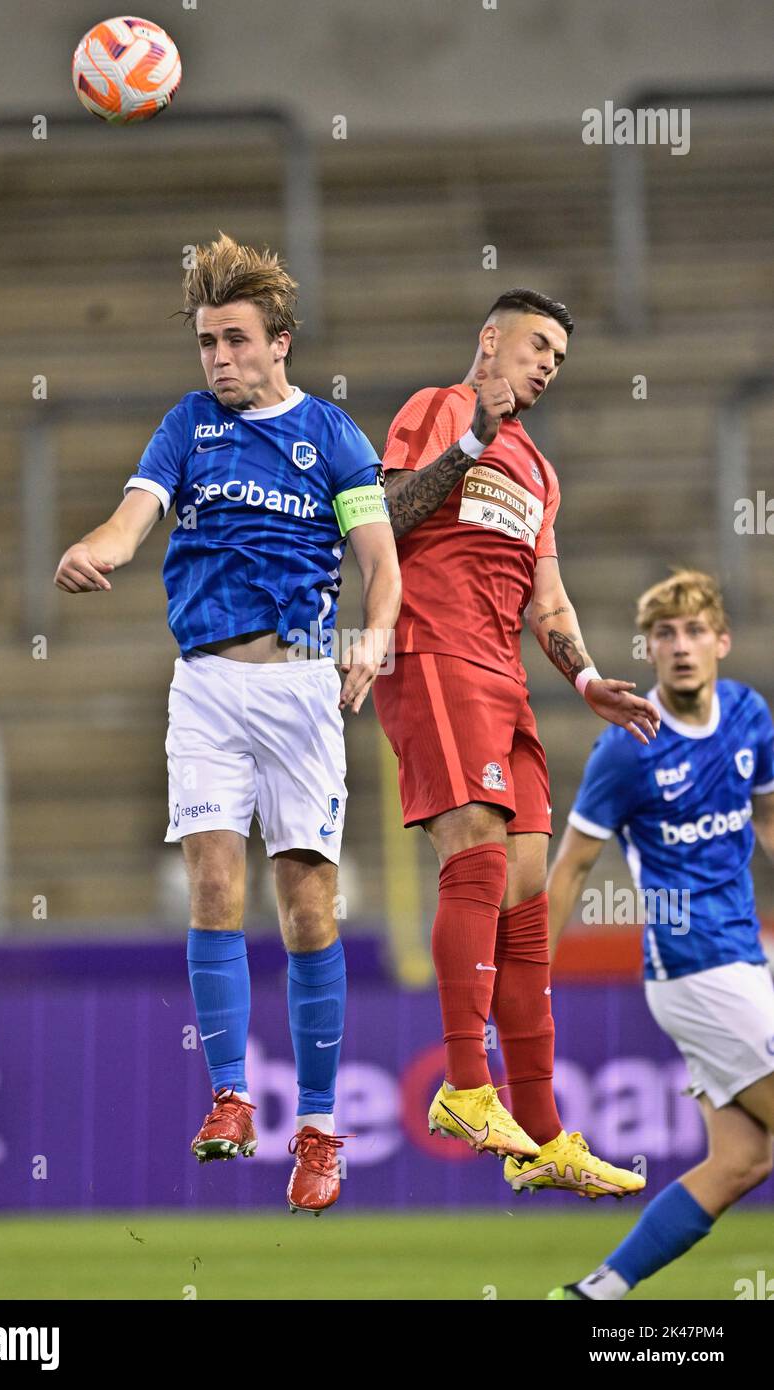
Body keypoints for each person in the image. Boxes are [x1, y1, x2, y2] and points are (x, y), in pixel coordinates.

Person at [54, 233, 401, 1214]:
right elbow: (137, 511)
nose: (217, 359)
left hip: (300, 690)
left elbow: (381, 559)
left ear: (279, 342)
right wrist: (101, 545)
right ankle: (229, 1099)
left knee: (305, 910)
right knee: (212, 884)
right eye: (207, 342)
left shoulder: (331, 436)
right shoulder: (187, 426)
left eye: (235, 340)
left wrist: (374, 637)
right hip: (205, 684)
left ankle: (321, 1129)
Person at [374, 288, 659, 1196]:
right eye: (538, 346)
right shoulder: (436, 409)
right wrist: (468, 443)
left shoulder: (539, 468)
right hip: (433, 652)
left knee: (528, 888)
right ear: (491, 339)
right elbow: (382, 524)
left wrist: (586, 677)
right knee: (481, 857)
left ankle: (542, 1136)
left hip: (505, 678)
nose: (546, 366)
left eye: (559, 359)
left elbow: (549, 598)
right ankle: (465, 1082)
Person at [546, 570, 774, 1297]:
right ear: (647, 651)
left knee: (742, 1160)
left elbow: (767, 816)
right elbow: (572, 870)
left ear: (721, 642)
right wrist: (525, 990)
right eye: (666, 635)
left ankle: (595, 1293)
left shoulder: (748, 715)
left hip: (742, 958)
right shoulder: (629, 747)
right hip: (692, 966)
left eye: (695, 632)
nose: (681, 647)